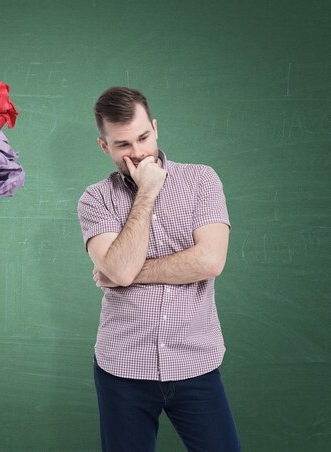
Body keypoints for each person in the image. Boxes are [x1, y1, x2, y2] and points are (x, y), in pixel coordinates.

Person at [77, 87, 241, 452]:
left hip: (195, 364)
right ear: (104, 146)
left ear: (155, 127)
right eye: (122, 145)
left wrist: (128, 273)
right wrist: (146, 192)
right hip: (122, 370)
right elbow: (118, 269)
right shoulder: (95, 199)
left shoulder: (202, 180)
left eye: (143, 137)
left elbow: (211, 260)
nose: (137, 153)